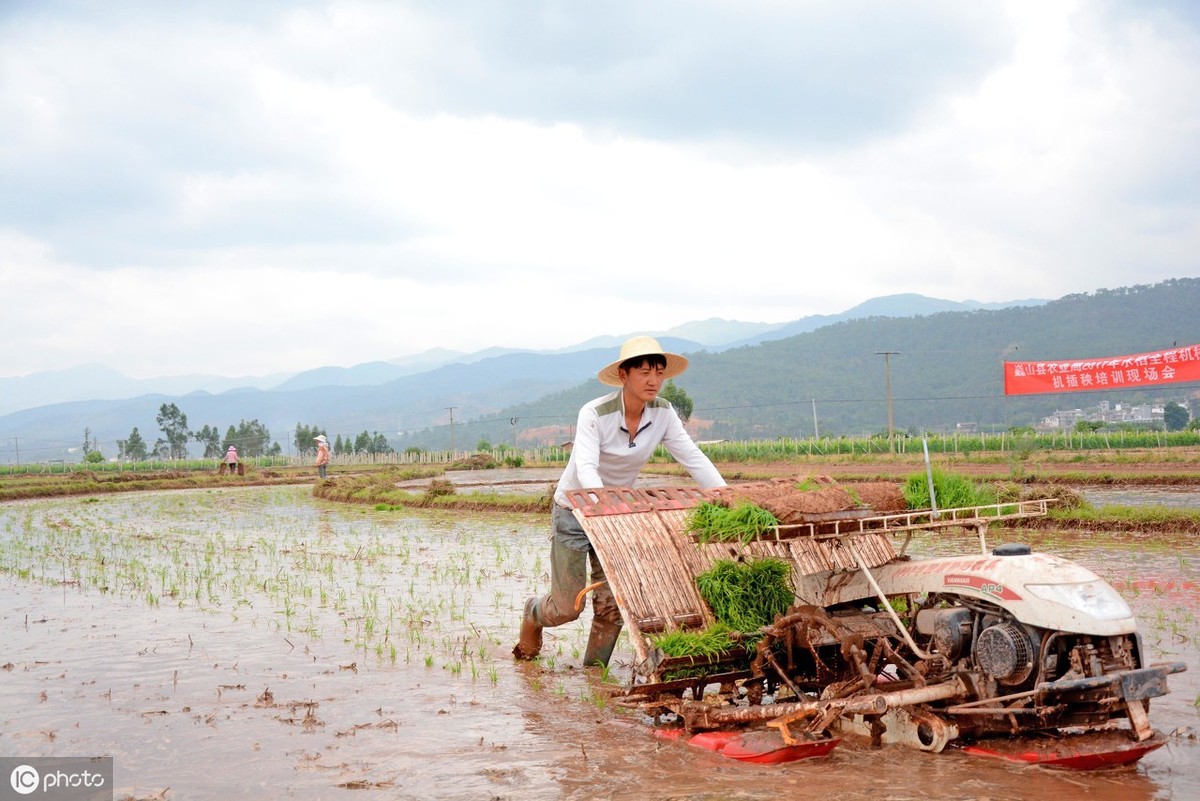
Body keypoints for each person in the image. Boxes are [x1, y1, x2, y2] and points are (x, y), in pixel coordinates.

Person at [513, 335, 726, 667]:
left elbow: (692, 458)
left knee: (612, 607)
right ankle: (533, 612)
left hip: (614, 515)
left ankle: (593, 676)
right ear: (624, 376)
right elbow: (585, 467)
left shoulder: (664, 413)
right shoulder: (595, 413)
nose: (653, 380)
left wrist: (725, 496)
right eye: (644, 372)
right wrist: (603, 505)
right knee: (567, 607)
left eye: (658, 372)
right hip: (574, 511)